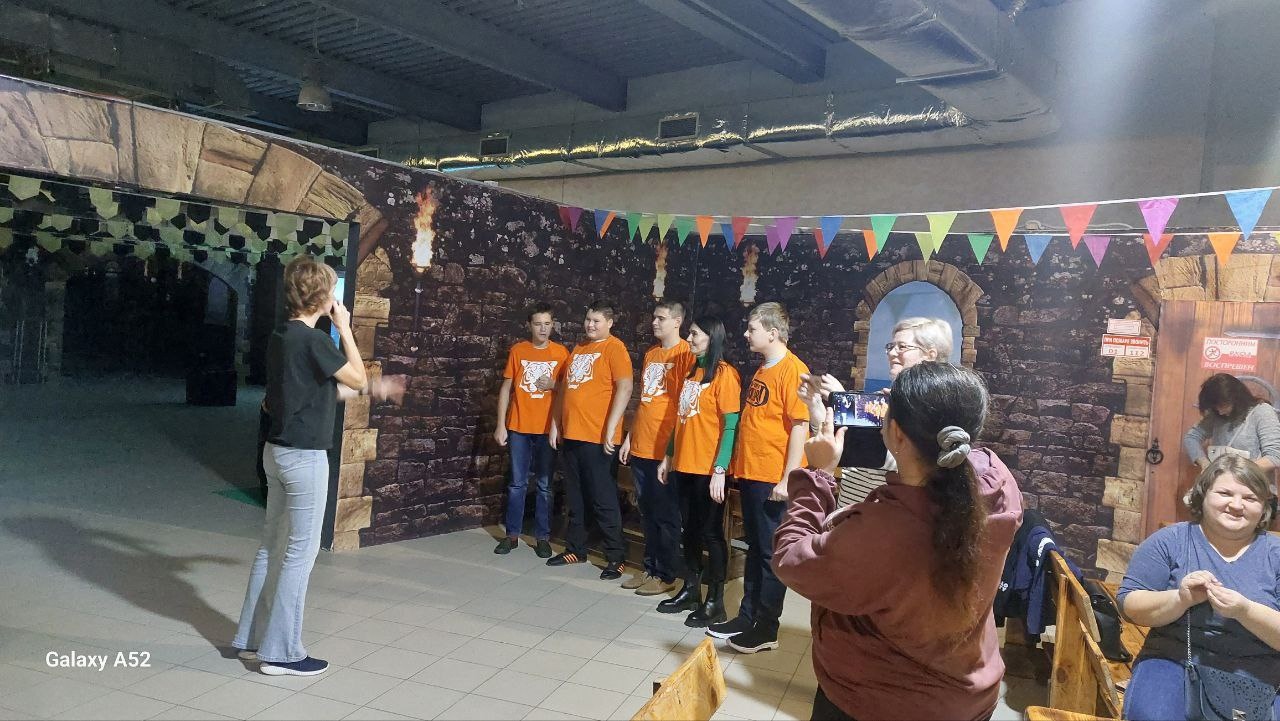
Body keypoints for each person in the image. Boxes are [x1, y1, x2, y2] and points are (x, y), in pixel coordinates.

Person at [775, 362, 1023, 721]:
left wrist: (818, 474)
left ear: (896, 433)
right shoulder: (998, 481)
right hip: (969, 696)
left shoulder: (885, 529)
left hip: (881, 700)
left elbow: (790, 558)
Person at [233, 256, 404, 677]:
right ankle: (281, 653)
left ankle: (253, 641)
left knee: (272, 546)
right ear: (324, 297)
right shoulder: (315, 341)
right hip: (304, 458)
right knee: (299, 554)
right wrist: (345, 328)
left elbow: (310, 393)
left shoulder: (283, 336)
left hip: (276, 453)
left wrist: (374, 388)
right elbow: (356, 377)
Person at [1117, 455, 1280, 720]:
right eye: (1225, 493)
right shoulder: (1170, 541)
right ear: (1202, 495)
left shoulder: (1275, 553)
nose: (1236, 505)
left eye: (1250, 498)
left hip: (1263, 673)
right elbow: (1130, 606)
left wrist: (1245, 611)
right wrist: (1180, 599)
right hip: (1175, 660)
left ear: (1264, 507)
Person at [708, 302, 809, 653]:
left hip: (773, 478)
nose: (746, 334)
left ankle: (767, 627)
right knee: (755, 548)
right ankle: (747, 616)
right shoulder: (764, 368)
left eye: (752, 329)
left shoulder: (793, 370)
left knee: (769, 553)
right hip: (752, 472)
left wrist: (787, 478)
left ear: (773, 332)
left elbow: (800, 426)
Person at [803, 317, 954, 507]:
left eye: (902, 347)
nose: (892, 353)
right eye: (891, 346)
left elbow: (908, 463)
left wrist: (846, 402)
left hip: (885, 517)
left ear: (929, 355)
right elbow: (840, 446)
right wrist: (815, 405)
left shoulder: (934, 410)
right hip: (848, 512)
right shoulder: (877, 400)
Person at [655, 315, 741, 626]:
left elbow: (731, 425)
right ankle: (690, 588)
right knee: (688, 530)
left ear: (711, 337)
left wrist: (720, 468)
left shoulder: (725, 374)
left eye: (694, 334)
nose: (689, 339)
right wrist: (668, 456)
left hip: (708, 469)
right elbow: (681, 419)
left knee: (711, 533)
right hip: (685, 464)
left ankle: (715, 600)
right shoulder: (693, 373)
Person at [547, 300, 634, 580]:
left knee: (602, 498)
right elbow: (565, 389)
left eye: (596, 321)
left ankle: (616, 556)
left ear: (610, 323)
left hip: (598, 437)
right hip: (573, 433)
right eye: (588, 319)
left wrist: (611, 428)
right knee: (575, 496)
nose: (590, 325)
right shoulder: (580, 348)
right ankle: (576, 548)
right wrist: (556, 424)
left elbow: (625, 387)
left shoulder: (615, 348)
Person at [618, 301, 694, 595]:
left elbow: (683, 406)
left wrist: (671, 451)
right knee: (646, 511)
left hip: (663, 446)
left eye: (661, 318)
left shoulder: (685, 354)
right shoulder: (651, 354)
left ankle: (666, 573)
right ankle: (649, 567)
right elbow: (644, 399)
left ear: (677, 321)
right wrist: (629, 437)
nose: (654, 322)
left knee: (666, 514)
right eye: (654, 317)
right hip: (642, 442)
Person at [493, 302, 569, 558]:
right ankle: (512, 535)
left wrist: (554, 385)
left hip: (546, 428)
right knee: (517, 483)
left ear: (553, 325)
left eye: (547, 324)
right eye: (538, 324)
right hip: (519, 426)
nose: (543, 329)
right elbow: (506, 388)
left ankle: (542, 537)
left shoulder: (561, 353)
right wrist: (501, 424)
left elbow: (570, 390)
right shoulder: (518, 351)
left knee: (545, 485)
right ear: (529, 325)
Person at [1183, 373, 1280, 475]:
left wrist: (1237, 475)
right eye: (1215, 407)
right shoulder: (1216, 415)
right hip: (1221, 480)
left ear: (1236, 399)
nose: (1220, 411)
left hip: (1252, 482)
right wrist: (1204, 463)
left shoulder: (1262, 411)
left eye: (1223, 406)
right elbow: (1191, 437)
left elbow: (1275, 457)